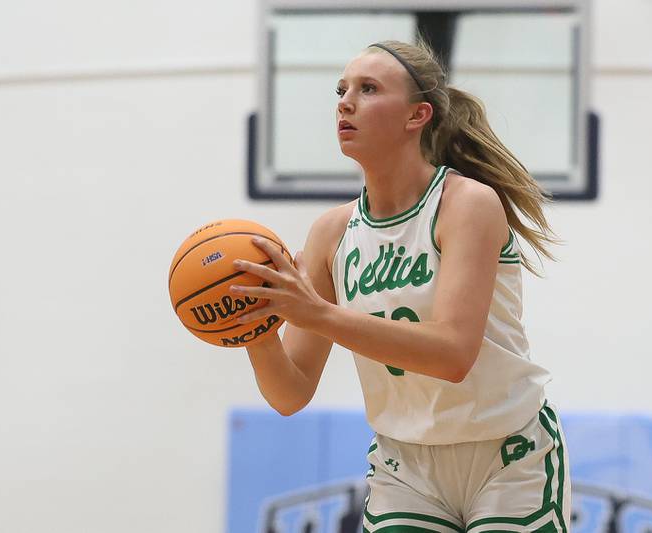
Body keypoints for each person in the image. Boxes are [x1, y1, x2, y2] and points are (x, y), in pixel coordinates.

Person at [229, 39, 570, 532]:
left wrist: (318, 313)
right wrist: (257, 331)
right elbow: (290, 393)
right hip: (405, 467)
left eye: (368, 89)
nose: (345, 102)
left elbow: (452, 355)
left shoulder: (466, 203)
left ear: (417, 115)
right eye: (342, 89)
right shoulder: (331, 232)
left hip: (508, 454)